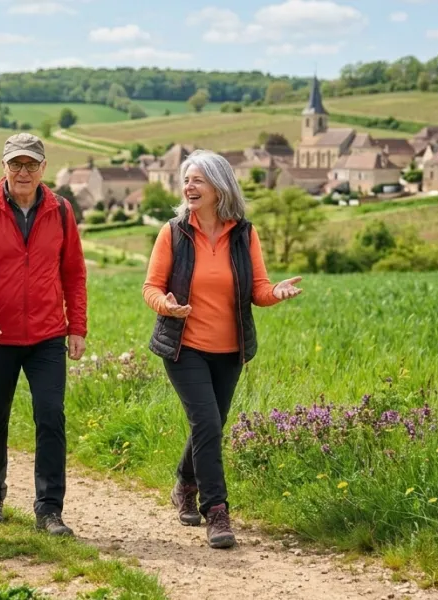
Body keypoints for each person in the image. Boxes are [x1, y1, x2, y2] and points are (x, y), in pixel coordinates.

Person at [141, 150, 302, 549]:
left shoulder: (243, 233)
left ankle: (185, 484)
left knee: (209, 424)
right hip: (184, 347)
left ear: (219, 186)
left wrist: (276, 294)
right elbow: (151, 288)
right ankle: (217, 512)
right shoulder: (174, 232)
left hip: (230, 350)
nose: (189, 187)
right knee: (208, 424)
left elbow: (258, 291)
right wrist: (167, 306)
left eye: (197, 180)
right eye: (186, 180)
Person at [0, 133, 87, 536]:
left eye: (31, 165)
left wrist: (76, 326)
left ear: (44, 169)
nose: (23, 172)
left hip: (47, 334)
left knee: (50, 417)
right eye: (16, 164)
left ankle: (49, 510)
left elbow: (75, 274)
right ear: (4, 166)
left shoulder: (61, 211)